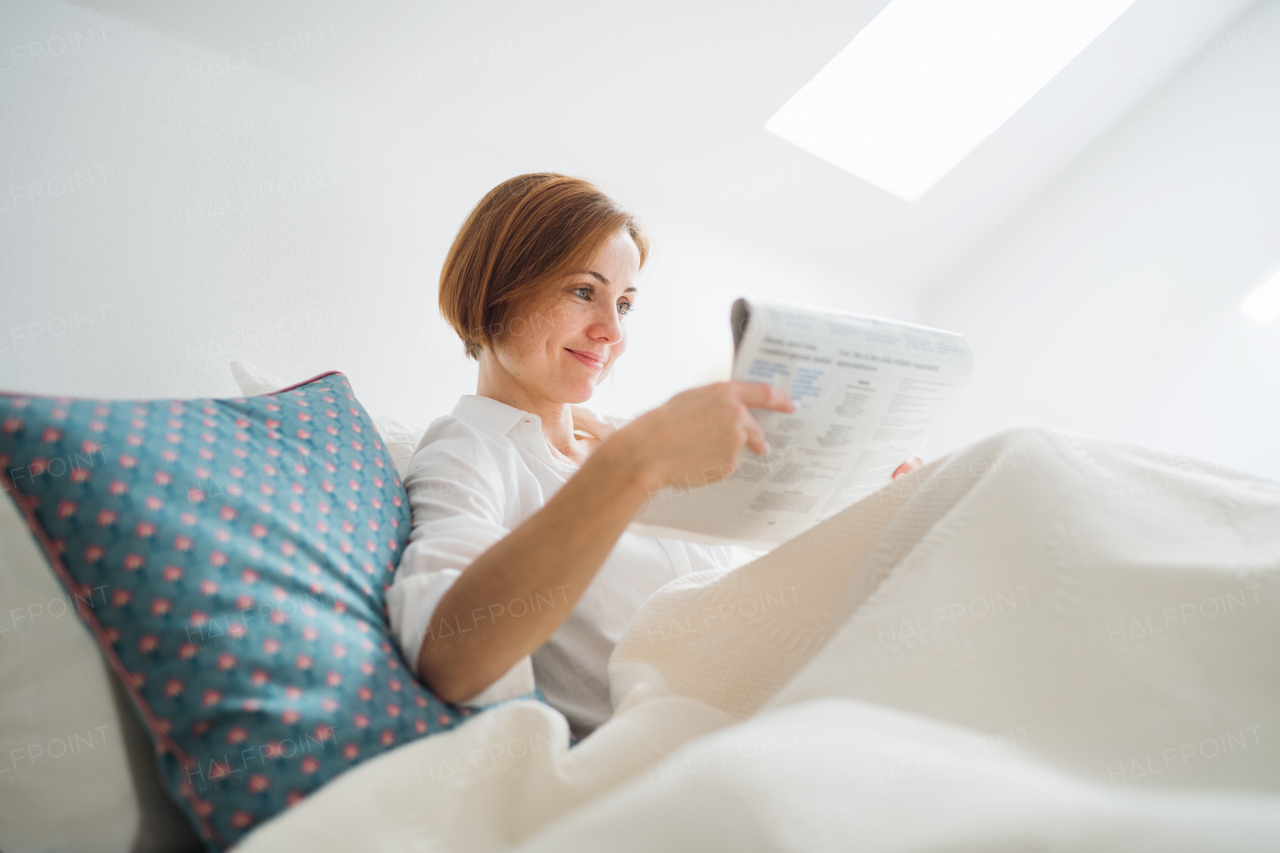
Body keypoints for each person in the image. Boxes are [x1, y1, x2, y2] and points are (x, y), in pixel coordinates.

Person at [387, 173, 921, 738]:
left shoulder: (630, 436)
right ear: (496, 289)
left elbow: (756, 583)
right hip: (717, 736)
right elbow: (448, 657)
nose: (611, 331)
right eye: (583, 291)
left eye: (624, 304)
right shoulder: (469, 451)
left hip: (810, 680)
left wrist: (872, 514)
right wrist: (631, 469)